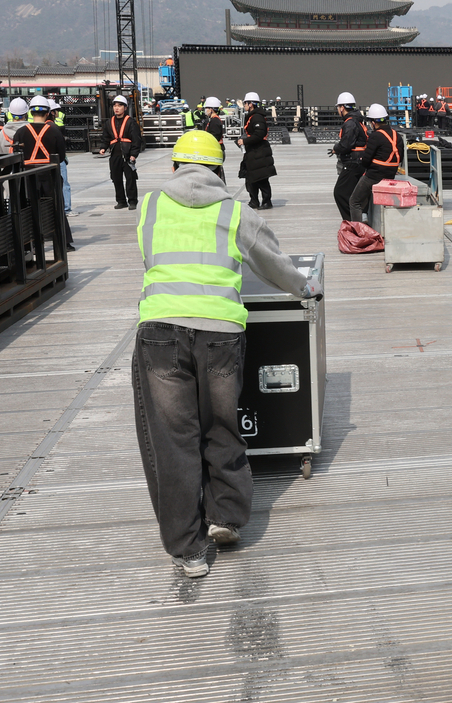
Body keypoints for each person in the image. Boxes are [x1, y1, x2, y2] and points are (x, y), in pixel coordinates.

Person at [132, 129, 322, 578]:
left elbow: (149, 258)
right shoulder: (239, 213)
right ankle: (227, 518)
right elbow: (275, 265)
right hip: (220, 334)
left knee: (173, 440)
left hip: (160, 332)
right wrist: (306, 288)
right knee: (223, 426)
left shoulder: (150, 206)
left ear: (174, 166)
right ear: (220, 170)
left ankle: (189, 551)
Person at [12, 96, 75, 251]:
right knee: (56, 207)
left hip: (28, 175)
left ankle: (29, 244)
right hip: (50, 174)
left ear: (31, 113)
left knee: (29, 209)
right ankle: (63, 242)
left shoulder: (21, 132)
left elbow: (15, 154)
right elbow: (61, 155)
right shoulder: (54, 131)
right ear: (48, 113)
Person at [350, 103, 400, 223]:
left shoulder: (376, 136)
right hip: (391, 175)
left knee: (354, 201)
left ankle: (358, 231)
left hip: (374, 176)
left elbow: (366, 160)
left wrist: (363, 162)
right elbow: (400, 156)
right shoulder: (396, 135)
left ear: (373, 122)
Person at [99, 94, 144, 210]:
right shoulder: (109, 122)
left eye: (119, 105)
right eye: (115, 105)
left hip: (128, 156)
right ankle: (121, 201)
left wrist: (134, 155)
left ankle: (132, 201)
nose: (116, 108)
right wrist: (103, 147)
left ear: (125, 107)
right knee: (116, 179)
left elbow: (136, 140)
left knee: (130, 179)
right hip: (115, 156)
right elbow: (106, 137)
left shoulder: (131, 122)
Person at [328, 91, 366, 221]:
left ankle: (351, 222)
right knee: (352, 194)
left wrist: (335, 149)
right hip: (360, 161)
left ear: (342, 107)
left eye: (338, 107)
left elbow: (346, 144)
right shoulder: (358, 120)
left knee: (340, 193)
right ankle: (358, 220)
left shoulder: (349, 123)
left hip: (352, 163)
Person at [236, 91, 276, 210]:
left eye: (245, 103)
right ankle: (254, 201)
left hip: (259, 152)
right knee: (250, 179)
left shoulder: (257, 117)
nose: (244, 105)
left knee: (261, 178)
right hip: (252, 152)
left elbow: (259, 134)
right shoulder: (252, 116)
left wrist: (245, 141)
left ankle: (266, 201)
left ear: (251, 104)